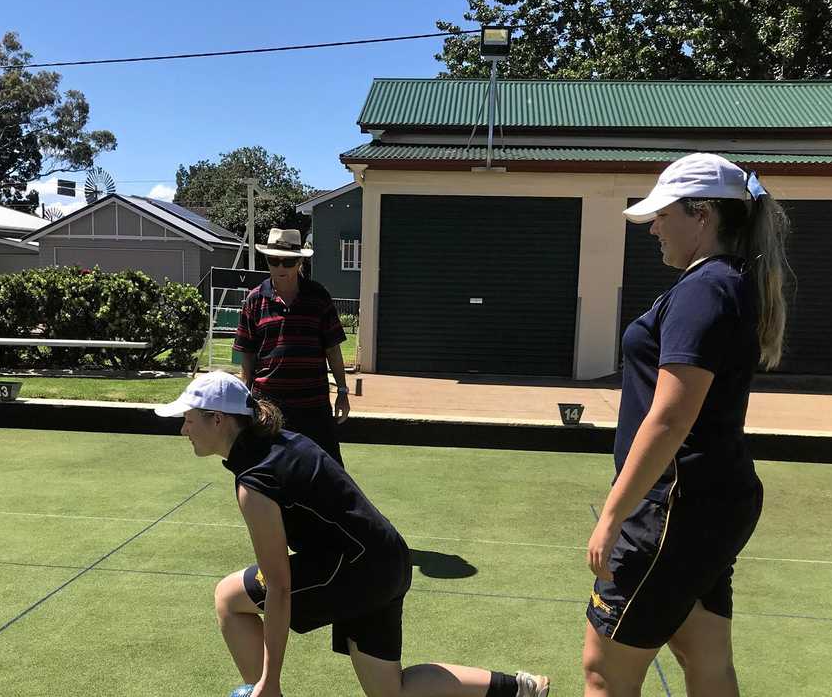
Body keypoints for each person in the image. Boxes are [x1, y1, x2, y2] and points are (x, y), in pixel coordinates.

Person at [155, 371, 550, 697]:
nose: (183, 429)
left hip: (357, 571)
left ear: (219, 419)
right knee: (390, 691)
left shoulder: (255, 483)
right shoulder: (281, 441)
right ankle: (520, 689)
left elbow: (279, 586)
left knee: (228, 597)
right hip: (387, 559)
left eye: (189, 418)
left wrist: (270, 681)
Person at [582, 153, 789, 697]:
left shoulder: (705, 288)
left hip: (674, 506)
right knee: (705, 657)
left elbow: (671, 416)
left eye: (662, 214)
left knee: (604, 672)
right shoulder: (728, 281)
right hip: (714, 501)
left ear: (703, 215)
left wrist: (612, 515)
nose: (652, 227)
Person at [234, 227, 351, 465]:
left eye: (287, 262)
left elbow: (333, 350)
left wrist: (342, 391)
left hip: (313, 404)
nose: (280, 268)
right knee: (267, 470)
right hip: (267, 404)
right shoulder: (254, 300)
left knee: (328, 470)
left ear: (299, 262)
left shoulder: (319, 297)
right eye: (273, 261)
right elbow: (247, 354)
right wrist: (244, 397)